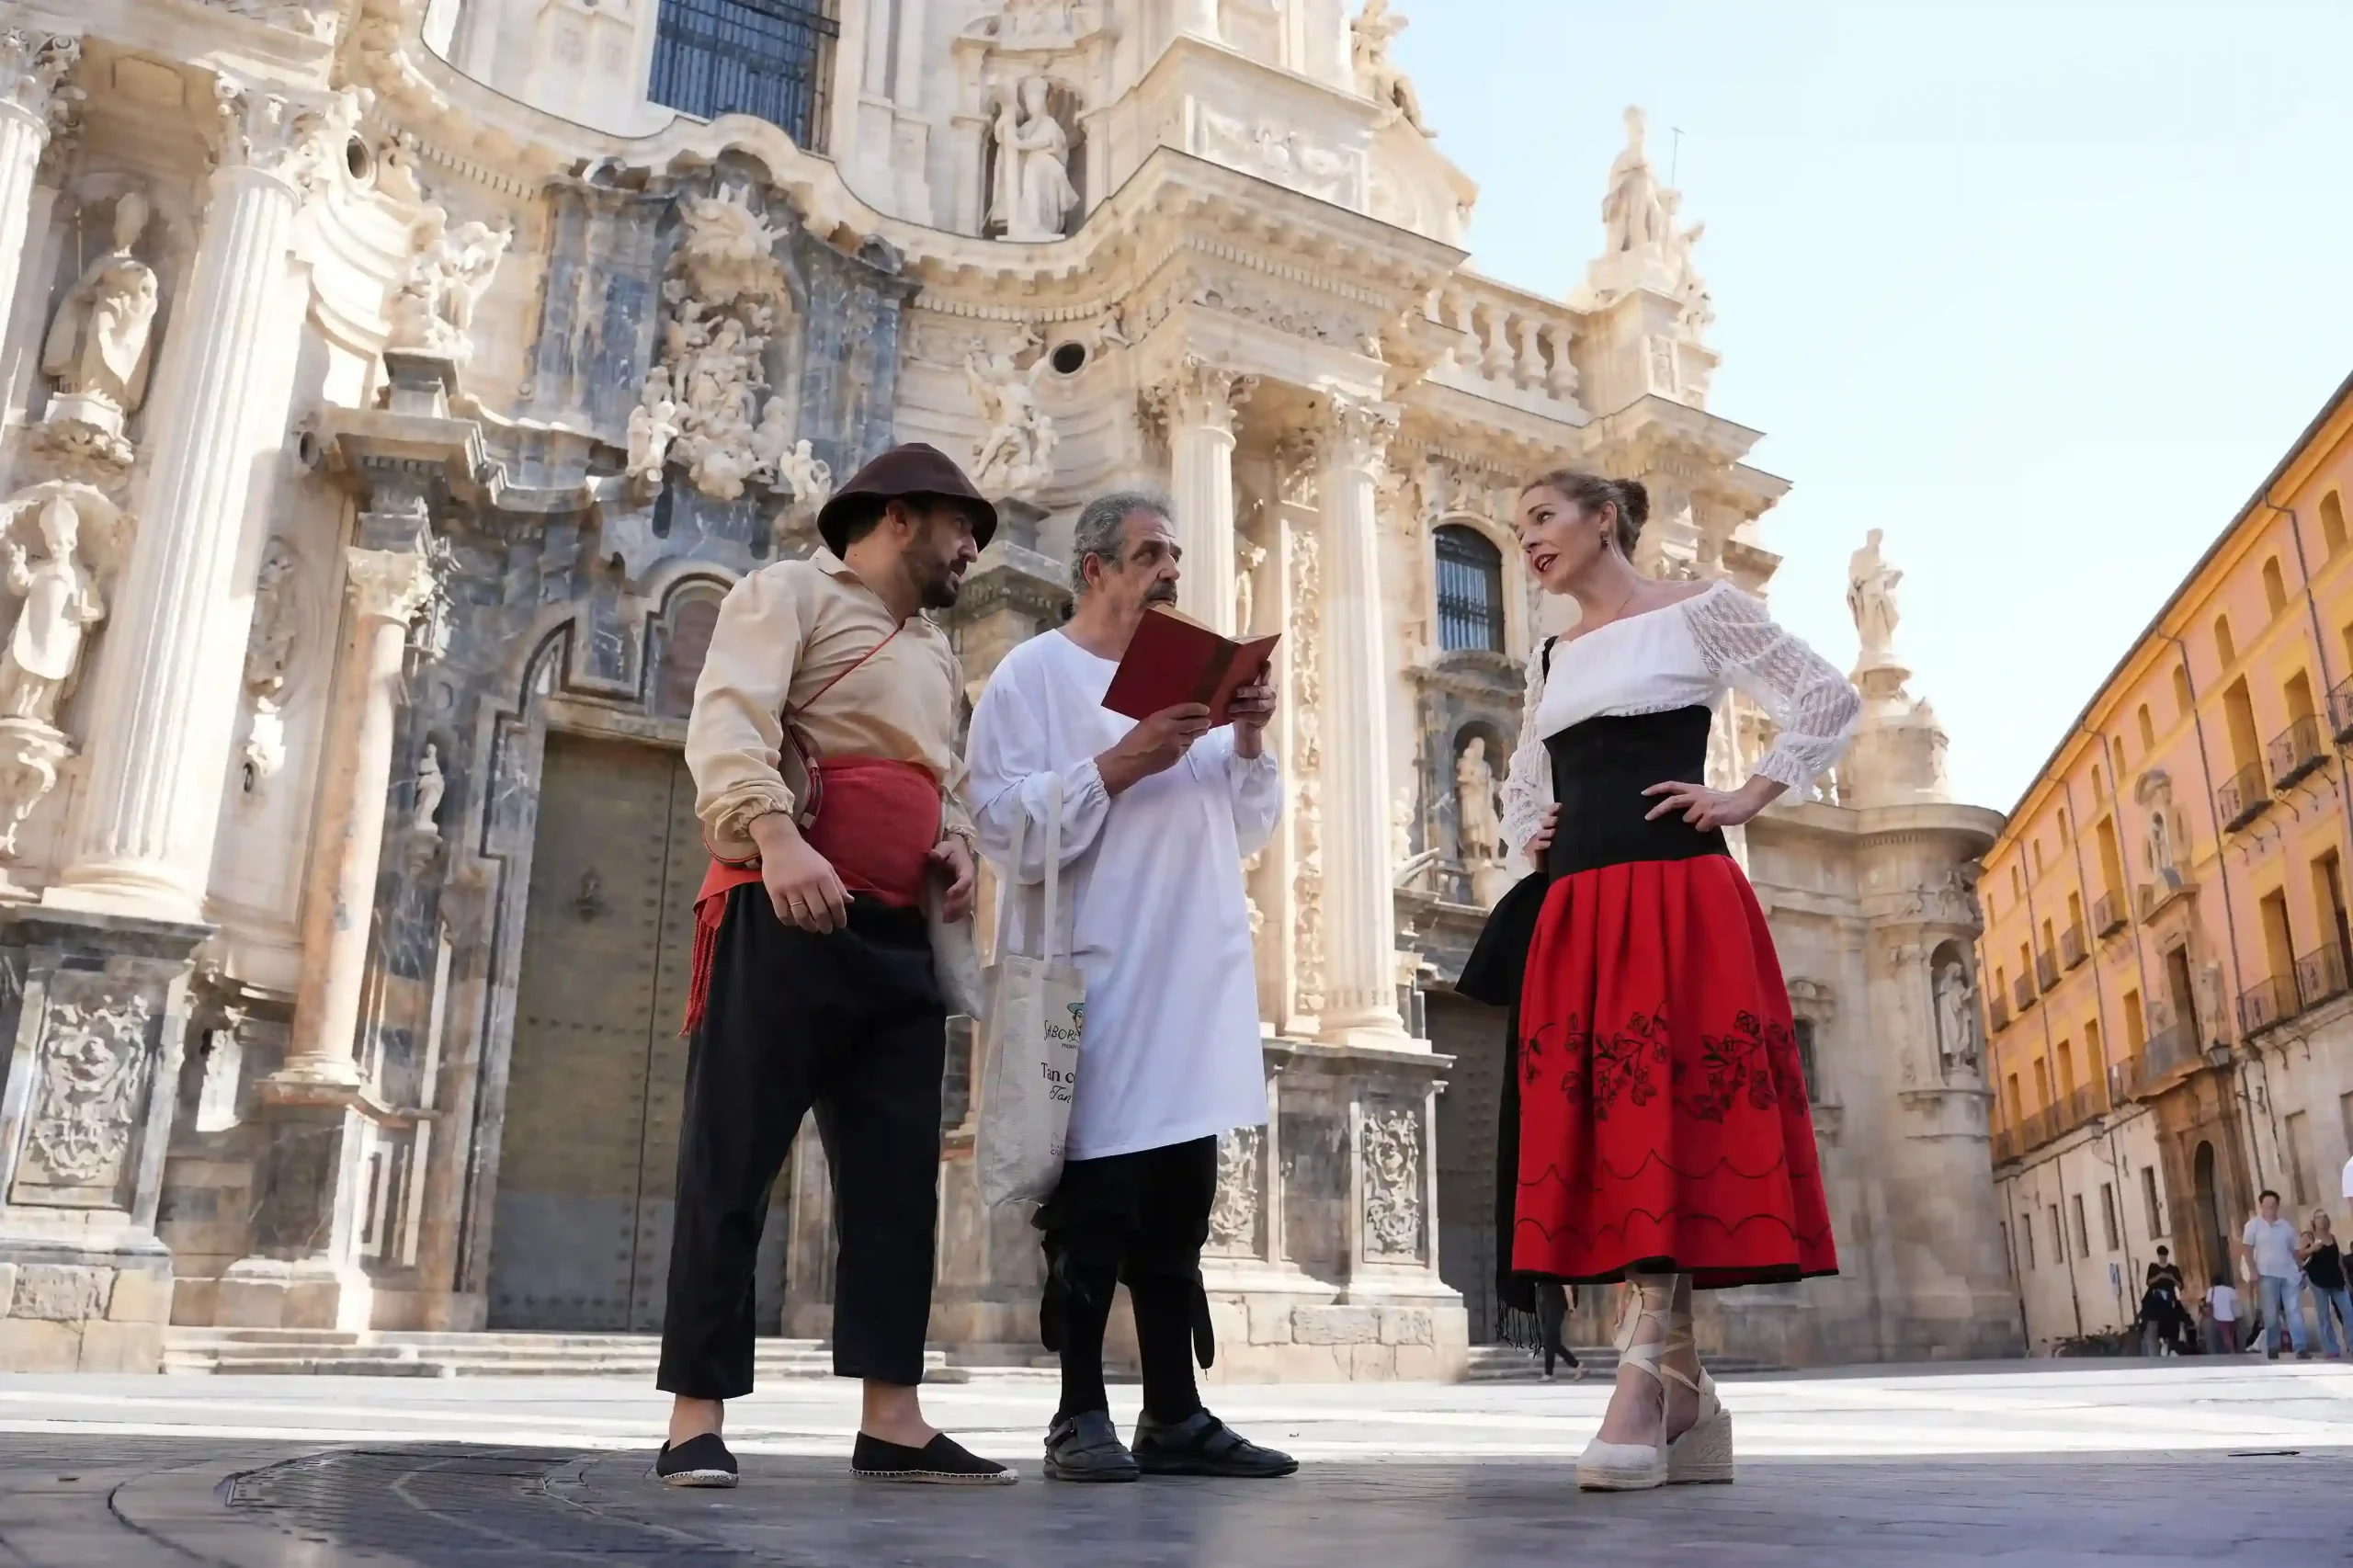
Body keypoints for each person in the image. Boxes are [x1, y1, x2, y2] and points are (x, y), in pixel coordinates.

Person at [1465, 469, 1859, 1493]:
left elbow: (1828, 695)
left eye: (1542, 518)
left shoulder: (1701, 609)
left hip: (1678, 898)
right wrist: (1531, 827)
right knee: (1613, 1133)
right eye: (1516, 527)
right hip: (1576, 910)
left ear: (1604, 520)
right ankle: (1683, 1392)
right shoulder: (1549, 654)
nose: (1528, 540)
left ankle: (1644, 1382)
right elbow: (1525, 776)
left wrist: (1743, 796)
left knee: (1666, 1125)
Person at [654, 444, 1015, 1488]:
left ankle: (892, 1418)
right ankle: (692, 1418)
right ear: (899, 516)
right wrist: (775, 838)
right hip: (780, 913)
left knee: (897, 1184)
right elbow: (731, 717)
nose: (972, 549)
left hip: (899, 938)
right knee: (732, 1161)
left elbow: (941, 777)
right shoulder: (789, 592)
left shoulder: (937, 654)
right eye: (962, 527)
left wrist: (955, 842)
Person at [963, 491, 1298, 1484]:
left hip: (1191, 982)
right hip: (1096, 977)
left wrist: (1244, 737)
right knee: (1093, 1208)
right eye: (1150, 554)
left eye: (1175, 555)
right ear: (1094, 569)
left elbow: (1245, 826)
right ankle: (1077, 1413)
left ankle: (1175, 1415)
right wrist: (1115, 764)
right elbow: (996, 822)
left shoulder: (1191, 681)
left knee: (1181, 1208)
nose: (1170, 571)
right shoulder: (1033, 674)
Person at [2242, 1189, 2312, 1360]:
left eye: (2273, 1205)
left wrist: (2301, 1270)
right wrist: (2252, 1270)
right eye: (2267, 1205)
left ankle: (2300, 1347)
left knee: (2294, 1311)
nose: (2270, 1208)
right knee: (2270, 1313)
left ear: (2277, 1206)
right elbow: (2247, 1248)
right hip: (2266, 1274)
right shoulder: (2253, 1225)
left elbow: (2295, 1251)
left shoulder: (2286, 1227)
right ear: (2261, 1205)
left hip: (2289, 1274)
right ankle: (2273, 1346)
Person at [2304, 1210, 2350, 1360]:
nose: (2322, 1220)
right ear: (2313, 1221)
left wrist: (2345, 1278)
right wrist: (2312, 1248)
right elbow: (2300, 1254)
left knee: (2348, 1312)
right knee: (2324, 1315)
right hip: (2318, 1280)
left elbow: (2338, 1259)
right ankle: (2331, 1348)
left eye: (2324, 1217)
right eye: (2318, 1217)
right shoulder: (2310, 1237)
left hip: (2336, 1279)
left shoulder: (2332, 1237)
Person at [2206, 1271, 2241, 1354]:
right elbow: (2235, 1301)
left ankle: (2231, 1351)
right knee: (2230, 1335)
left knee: (2225, 1335)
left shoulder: (2211, 1290)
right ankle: (2232, 1350)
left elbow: (2208, 1303)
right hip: (2231, 1316)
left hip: (2218, 1316)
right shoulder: (2230, 1290)